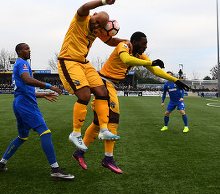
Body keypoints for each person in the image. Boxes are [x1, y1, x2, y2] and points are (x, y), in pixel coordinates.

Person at [72, 31, 190, 174]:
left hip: (108, 84)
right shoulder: (123, 46)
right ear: (134, 42)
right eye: (144, 43)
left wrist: (175, 80)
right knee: (113, 120)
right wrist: (149, 62)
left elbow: (155, 70)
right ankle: (108, 159)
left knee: (97, 123)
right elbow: (126, 60)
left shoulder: (140, 55)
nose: (146, 46)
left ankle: (80, 153)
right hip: (104, 83)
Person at [58, 0, 131, 151]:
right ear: (94, 14)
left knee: (102, 92)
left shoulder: (97, 30)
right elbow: (85, 6)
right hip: (69, 60)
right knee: (84, 95)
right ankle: (76, 133)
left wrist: (125, 41)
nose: (96, 25)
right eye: (96, 20)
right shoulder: (81, 19)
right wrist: (104, 2)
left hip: (84, 63)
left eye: (100, 25)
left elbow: (110, 41)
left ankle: (104, 130)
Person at [0, 43, 74, 180]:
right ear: (20, 51)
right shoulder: (22, 64)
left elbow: (24, 88)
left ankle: (1, 164)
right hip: (26, 104)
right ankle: (55, 170)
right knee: (45, 132)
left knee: (22, 137)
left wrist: (43, 95)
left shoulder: (19, 64)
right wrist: (50, 86)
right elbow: (27, 80)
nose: (29, 50)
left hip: (19, 102)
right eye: (26, 48)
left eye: (29, 48)